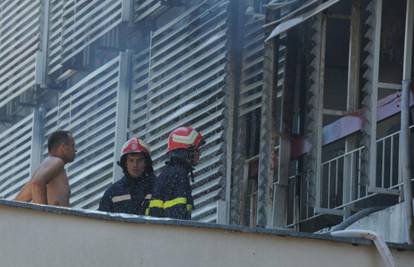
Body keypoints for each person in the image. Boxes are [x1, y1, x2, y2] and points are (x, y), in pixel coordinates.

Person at [148, 126, 204, 220]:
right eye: (196, 150)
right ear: (186, 151)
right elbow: (177, 216)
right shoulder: (178, 176)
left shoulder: (169, 173)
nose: (199, 154)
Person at [15, 130, 76, 207]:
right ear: (63, 147)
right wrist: (42, 216)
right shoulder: (57, 161)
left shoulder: (46, 168)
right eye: (73, 145)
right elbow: (37, 183)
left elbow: (19, 200)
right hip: (49, 218)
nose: (75, 150)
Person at [98, 138, 154, 215]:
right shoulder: (113, 192)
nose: (135, 165)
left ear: (146, 163)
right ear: (125, 163)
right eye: (131, 160)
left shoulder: (157, 188)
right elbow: (101, 222)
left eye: (139, 160)